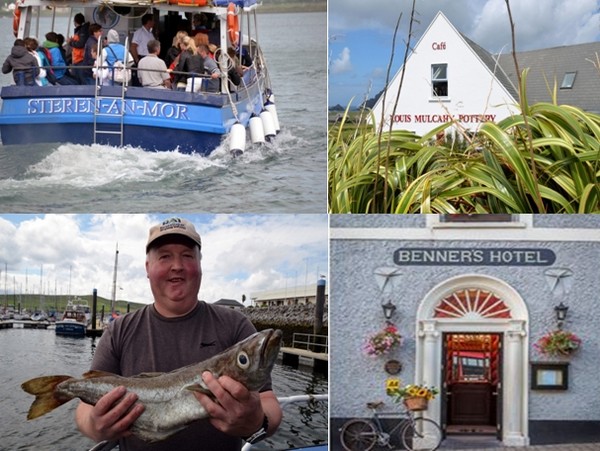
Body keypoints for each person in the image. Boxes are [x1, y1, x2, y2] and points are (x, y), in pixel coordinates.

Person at [74, 217, 282, 451]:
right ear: (147, 268)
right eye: (164, 256)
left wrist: (256, 422)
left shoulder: (235, 325)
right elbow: (84, 409)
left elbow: (269, 403)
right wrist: (94, 425)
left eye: (187, 255)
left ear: (199, 265)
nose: (177, 266)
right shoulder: (118, 331)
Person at [68, 13, 90, 82]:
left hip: (80, 59)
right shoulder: (80, 30)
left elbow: (81, 44)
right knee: (77, 78)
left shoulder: (82, 31)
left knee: (81, 79)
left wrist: (70, 42)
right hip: (77, 58)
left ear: (75, 21)